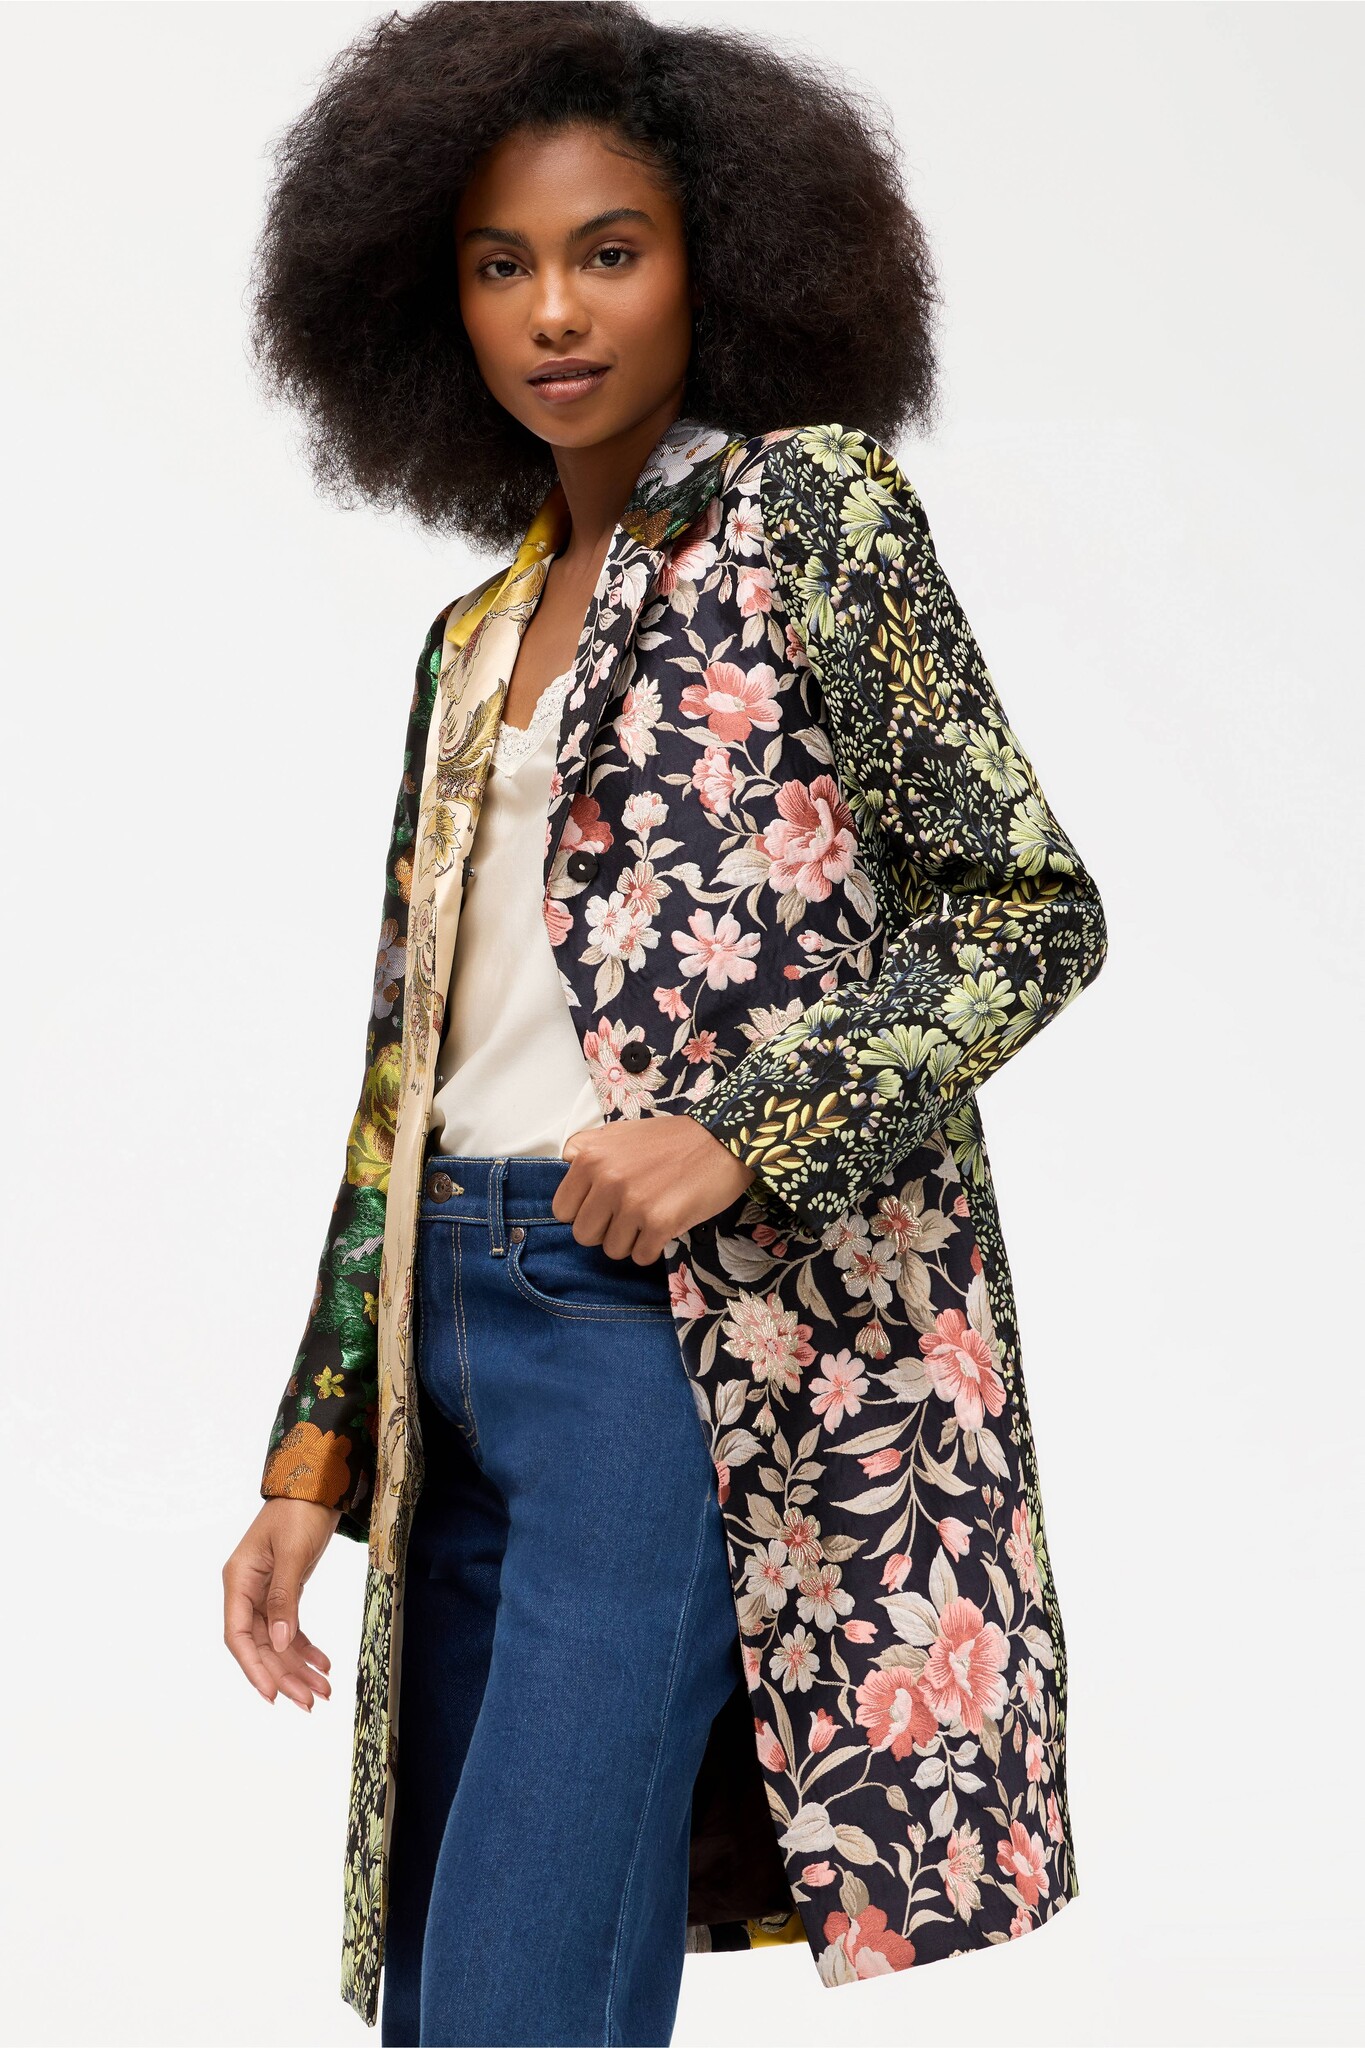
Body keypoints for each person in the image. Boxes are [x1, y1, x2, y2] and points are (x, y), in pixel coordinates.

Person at [220, 5, 1109, 2044]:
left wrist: (739, 1132)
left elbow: (1024, 911)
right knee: (455, 1985)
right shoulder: (468, 638)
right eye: (500, 263)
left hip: (663, 1336)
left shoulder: (809, 515)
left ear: (717, 258)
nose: (552, 309)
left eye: (607, 251)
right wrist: (313, 1449)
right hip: (444, 1334)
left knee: (519, 1979)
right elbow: (403, 1075)